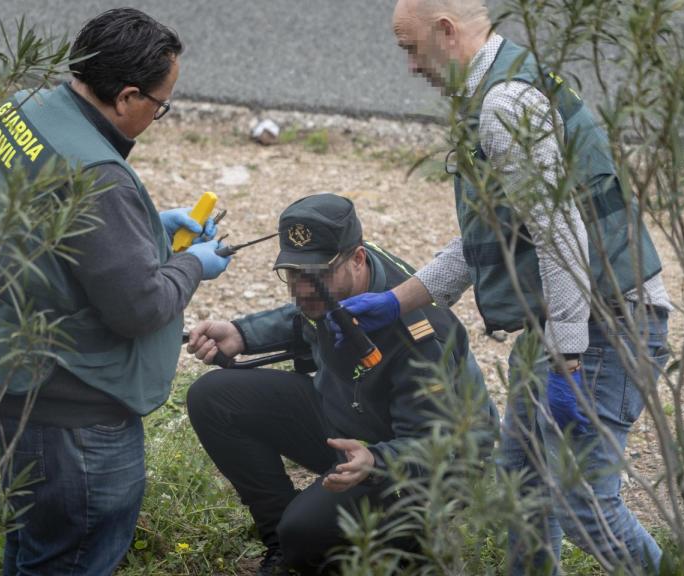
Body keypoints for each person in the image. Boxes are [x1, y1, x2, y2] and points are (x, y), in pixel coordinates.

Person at [337, 0, 674, 574]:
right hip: (564, 326)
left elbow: (560, 232)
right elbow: (492, 238)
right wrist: (399, 300)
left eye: (411, 48)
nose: (411, 66)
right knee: (521, 487)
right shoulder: (500, 87)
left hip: (603, 329)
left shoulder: (503, 104)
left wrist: (566, 356)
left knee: (583, 504)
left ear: (445, 32)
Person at [0, 8, 230, 575]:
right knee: (74, 553)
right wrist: (193, 265)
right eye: (161, 104)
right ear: (126, 97)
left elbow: (53, 226)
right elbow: (140, 305)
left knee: (38, 539)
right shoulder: (97, 177)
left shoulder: (23, 112)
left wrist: (146, 220)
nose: (158, 113)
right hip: (67, 408)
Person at [185, 194, 497, 576]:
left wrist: (376, 461)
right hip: (352, 420)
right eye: (293, 274)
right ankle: (281, 544)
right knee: (214, 397)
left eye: (315, 275)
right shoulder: (339, 279)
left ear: (358, 259)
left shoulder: (418, 333)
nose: (302, 288)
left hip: (424, 461)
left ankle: (407, 543)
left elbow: (437, 444)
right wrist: (242, 334)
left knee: (305, 532)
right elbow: (313, 316)